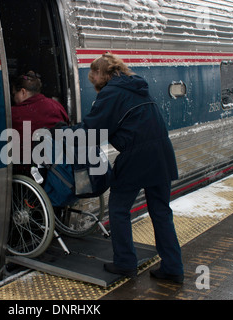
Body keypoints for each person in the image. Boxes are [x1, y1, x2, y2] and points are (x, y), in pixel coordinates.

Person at [76, 53, 184, 283]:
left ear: (101, 74)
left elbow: (93, 129)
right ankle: (173, 268)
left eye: (92, 75)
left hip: (137, 155)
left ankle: (125, 263)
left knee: (118, 209)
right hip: (162, 153)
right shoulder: (137, 86)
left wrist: (66, 132)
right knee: (161, 213)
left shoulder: (111, 92)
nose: (91, 80)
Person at [11, 71, 69, 173]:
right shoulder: (56, 105)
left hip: (28, 172)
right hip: (57, 167)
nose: (14, 98)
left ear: (23, 92)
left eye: (14, 94)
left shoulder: (13, 114)